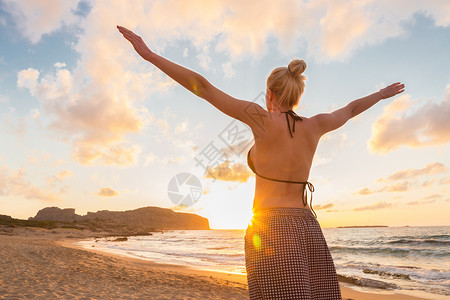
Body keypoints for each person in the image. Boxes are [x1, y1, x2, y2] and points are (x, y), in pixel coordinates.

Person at [117, 25, 405, 299]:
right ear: (296, 94)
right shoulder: (316, 124)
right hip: (309, 228)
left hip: (271, 228)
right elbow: (352, 109)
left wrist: (150, 56)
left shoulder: (261, 118)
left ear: (269, 93)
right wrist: (380, 94)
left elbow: (203, 87)